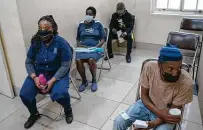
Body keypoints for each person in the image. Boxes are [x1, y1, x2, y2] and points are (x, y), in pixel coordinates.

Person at [113, 45, 193, 130]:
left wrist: (152, 124)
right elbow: (144, 95)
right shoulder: (149, 67)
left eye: (179, 68)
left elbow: (172, 112)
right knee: (119, 122)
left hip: (168, 112)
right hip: (147, 105)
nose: (175, 73)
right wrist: (160, 113)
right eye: (170, 69)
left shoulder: (186, 82)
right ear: (159, 64)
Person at [20, 15, 73, 129]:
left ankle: (68, 109)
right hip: (39, 74)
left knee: (60, 93)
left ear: (53, 29)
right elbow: (28, 62)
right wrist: (34, 77)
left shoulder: (62, 43)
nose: (43, 35)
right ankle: (34, 114)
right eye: (41, 30)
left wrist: (53, 80)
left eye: (46, 30)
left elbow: (65, 65)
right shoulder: (36, 42)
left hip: (57, 73)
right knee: (24, 94)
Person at [76, 6, 106, 92]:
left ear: (94, 15)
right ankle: (84, 81)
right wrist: (80, 45)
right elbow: (78, 38)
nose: (88, 15)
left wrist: (97, 46)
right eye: (87, 14)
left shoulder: (98, 24)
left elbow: (103, 39)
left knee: (91, 59)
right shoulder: (81, 24)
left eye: (90, 14)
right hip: (83, 48)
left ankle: (93, 80)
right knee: (78, 60)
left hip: (95, 48)